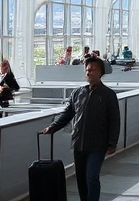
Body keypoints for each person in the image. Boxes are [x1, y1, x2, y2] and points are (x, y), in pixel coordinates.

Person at [43, 57, 120, 201]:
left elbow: (114, 120)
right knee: (81, 179)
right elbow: (67, 114)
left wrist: (112, 142)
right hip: (79, 143)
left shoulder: (109, 95)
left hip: (98, 144)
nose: (89, 72)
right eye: (87, 70)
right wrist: (53, 127)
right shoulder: (78, 93)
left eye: (93, 70)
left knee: (91, 176)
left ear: (101, 72)